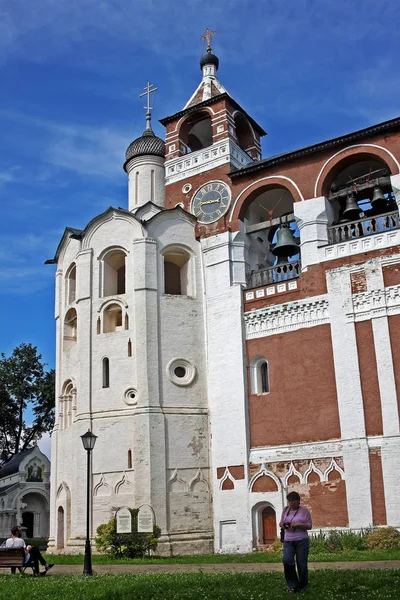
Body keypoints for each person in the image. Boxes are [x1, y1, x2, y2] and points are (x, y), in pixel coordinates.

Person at [279, 491, 312, 593]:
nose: (291, 503)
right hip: (288, 540)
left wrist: (297, 524)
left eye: (293, 501)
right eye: (289, 501)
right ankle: (293, 585)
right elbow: (281, 522)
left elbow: (309, 526)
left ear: (298, 501)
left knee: (301, 564)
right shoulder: (286, 510)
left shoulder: (304, 511)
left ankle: (302, 587)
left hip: (301, 540)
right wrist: (283, 525)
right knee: (287, 561)